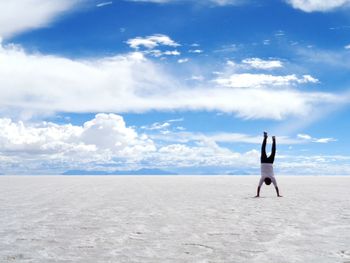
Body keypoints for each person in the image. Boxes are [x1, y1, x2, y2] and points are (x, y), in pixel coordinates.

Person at [255, 132, 282, 197]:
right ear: (265, 181)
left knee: (273, 151)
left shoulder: (272, 177)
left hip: (270, 162)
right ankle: (265, 137)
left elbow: (276, 186)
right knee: (263, 149)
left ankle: (273, 139)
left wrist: (278, 194)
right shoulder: (263, 177)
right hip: (263, 162)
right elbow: (259, 187)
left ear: (270, 181)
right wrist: (258, 194)